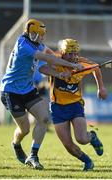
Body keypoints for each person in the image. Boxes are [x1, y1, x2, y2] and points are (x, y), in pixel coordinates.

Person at [0, 19, 84, 170]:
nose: (43, 38)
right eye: (40, 35)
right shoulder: (23, 46)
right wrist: (72, 65)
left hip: (27, 89)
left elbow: (50, 53)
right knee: (24, 129)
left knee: (44, 118)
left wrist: (61, 70)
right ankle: (16, 144)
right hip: (11, 91)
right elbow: (46, 58)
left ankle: (33, 155)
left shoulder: (36, 44)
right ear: (32, 34)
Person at [39, 38, 107, 171]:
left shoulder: (82, 62)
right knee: (68, 145)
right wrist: (59, 74)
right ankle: (87, 161)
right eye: (70, 53)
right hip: (57, 107)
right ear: (63, 53)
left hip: (75, 104)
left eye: (75, 53)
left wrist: (101, 88)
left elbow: (96, 68)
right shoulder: (56, 60)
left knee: (81, 138)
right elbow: (42, 68)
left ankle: (92, 136)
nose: (73, 56)